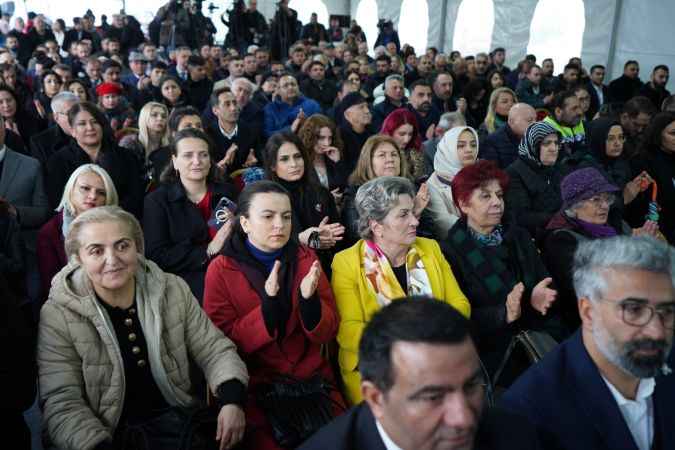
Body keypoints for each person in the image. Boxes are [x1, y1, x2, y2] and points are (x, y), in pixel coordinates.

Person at [37, 205, 249, 450]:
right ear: (77, 259)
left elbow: (214, 349)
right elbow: (62, 401)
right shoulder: (58, 314)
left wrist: (232, 401)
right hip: (108, 435)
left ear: (137, 248)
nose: (112, 259)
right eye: (96, 251)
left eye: (122, 245)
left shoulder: (172, 288)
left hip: (179, 419)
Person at [203, 180, 343, 450]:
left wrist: (309, 302)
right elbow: (222, 344)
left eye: (286, 216)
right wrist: (268, 308)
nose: (280, 225)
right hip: (259, 385)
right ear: (244, 223)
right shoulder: (220, 269)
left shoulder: (304, 256)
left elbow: (329, 330)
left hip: (313, 379)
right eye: (268, 216)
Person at [502, 236, 675, 450]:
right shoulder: (527, 411)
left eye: (667, 311)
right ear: (588, 311)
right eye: (634, 310)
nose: (656, 331)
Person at [300, 298, 541, 450]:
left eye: (470, 386)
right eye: (433, 397)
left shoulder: (515, 435)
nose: (464, 418)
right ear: (375, 398)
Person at [332, 176, 470, 404]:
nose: (415, 221)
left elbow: (460, 304)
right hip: (378, 373)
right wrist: (408, 342)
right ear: (376, 226)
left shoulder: (430, 248)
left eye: (413, 213)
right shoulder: (346, 262)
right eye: (403, 215)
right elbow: (349, 331)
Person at [441, 160, 560, 377]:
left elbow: (544, 280)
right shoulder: (451, 252)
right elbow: (459, 319)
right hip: (493, 354)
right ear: (464, 204)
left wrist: (537, 299)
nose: (497, 202)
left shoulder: (518, 235)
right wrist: (503, 313)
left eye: (499, 195)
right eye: (485, 196)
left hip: (537, 336)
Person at [541, 167, 657, 330]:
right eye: (596, 200)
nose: (605, 206)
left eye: (607, 199)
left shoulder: (611, 226)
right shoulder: (561, 240)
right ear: (575, 205)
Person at [144, 128, 238, 301]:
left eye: (203, 155)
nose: (197, 161)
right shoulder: (157, 201)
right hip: (183, 282)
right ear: (175, 161)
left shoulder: (228, 193)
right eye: (188, 155)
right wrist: (208, 250)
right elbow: (157, 256)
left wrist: (237, 229)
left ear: (210, 161)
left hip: (231, 269)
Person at [264, 132, 344, 275]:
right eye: (284, 159)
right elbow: (263, 244)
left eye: (297, 156)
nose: (294, 164)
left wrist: (328, 237)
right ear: (272, 166)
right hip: (282, 272)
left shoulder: (321, 193)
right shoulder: (264, 199)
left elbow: (340, 238)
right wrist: (301, 239)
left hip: (325, 268)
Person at [46, 102, 144, 217]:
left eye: (95, 122)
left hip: (119, 219)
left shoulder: (126, 156)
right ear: (72, 131)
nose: (90, 128)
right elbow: (58, 201)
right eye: (82, 124)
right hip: (76, 222)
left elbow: (136, 197)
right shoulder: (58, 161)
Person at [37, 164, 118, 304]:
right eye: (85, 188)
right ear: (71, 189)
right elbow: (51, 286)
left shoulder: (119, 226)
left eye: (101, 192)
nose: (93, 196)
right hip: (70, 303)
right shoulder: (50, 233)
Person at [505, 121, 564, 236]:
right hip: (533, 238)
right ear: (533, 145)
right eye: (546, 143)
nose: (554, 148)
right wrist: (560, 219)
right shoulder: (514, 173)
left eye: (557, 143)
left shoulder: (554, 169)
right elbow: (521, 217)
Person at [426, 126, 480, 240]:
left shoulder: (484, 173)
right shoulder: (433, 185)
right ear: (448, 149)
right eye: (461, 146)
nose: (469, 149)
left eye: (473, 145)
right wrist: (480, 232)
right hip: (459, 245)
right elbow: (443, 222)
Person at [629, 112, 675, 244]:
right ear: (658, 134)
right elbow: (643, 207)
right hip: (658, 233)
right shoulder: (642, 161)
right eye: (673, 133)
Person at [119, 101, 170, 190]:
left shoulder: (168, 146)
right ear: (144, 118)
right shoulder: (130, 144)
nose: (160, 119)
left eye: (164, 116)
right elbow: (124, 177)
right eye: (154, 115)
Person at [297, 114, 349, 196]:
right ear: (310, 137)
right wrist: (327, 198)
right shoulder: (300, 161)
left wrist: (338, 163)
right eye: (321, 138)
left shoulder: (333, 157)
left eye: (330, 138)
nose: (327, 143)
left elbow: (344, 187)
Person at [29, 91, 78, 168]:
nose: (76, 117)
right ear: (56, 117)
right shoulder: (40, 142)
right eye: (69, 113)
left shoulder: (90, 131)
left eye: (78, 111)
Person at [480, 103, 536, 169]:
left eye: (535, 119)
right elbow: (493, 174)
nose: (535, 124)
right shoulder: (492, 142)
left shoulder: (535, 137)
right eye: (529, 120)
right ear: (511, 121)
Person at [380, 107, 425, 179]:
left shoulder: (415, 151)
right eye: (402, 134)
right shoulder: (377, 152)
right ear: (390, 132)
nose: (406, 140)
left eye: (410, 134)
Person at [543, 90, 588, 158]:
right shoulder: (545, 130)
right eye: (574, 108)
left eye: (579, 107)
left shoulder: (579, 122)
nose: (580, 112)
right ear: (558, 111)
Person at [338, 92, 374, 171]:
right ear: (347, 114)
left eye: (367, 107)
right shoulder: (339, 137)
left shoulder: (372, 134)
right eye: (361, 107)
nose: (367, 111)